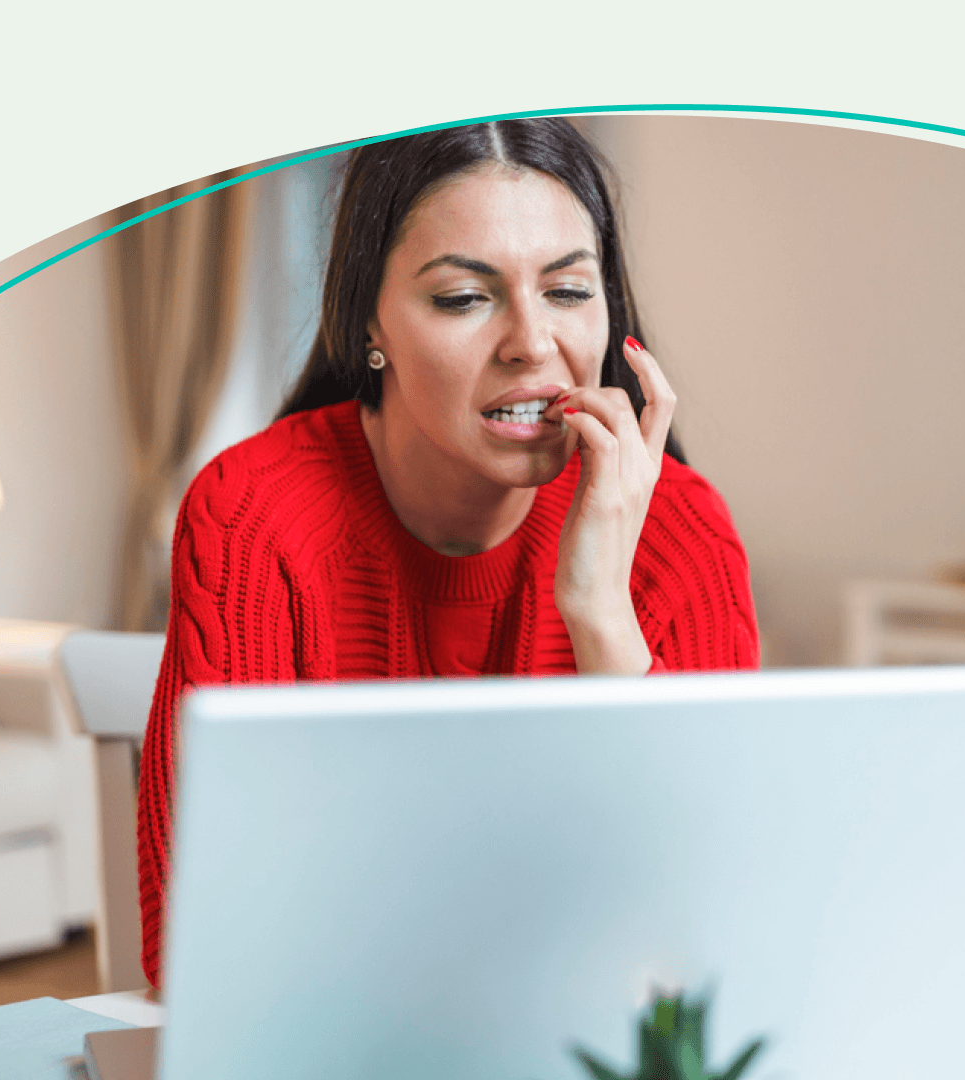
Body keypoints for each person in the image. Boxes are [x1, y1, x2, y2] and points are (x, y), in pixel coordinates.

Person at [135, 118, 759, 986]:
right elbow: (197, 936)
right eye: (465, 299)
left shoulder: (679, 532)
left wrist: (601, 617)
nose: (532, 344)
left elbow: (711, 935)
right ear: (369, 325)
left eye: (569, 292)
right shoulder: (256, 518)